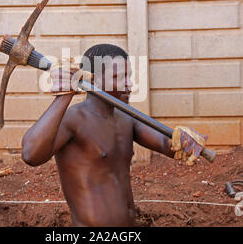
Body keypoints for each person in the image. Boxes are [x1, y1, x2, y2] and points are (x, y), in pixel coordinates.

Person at [21, 44, 207, 227]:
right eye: (118, 77)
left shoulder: (127, 118)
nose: (129, 84)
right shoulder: (73, 120)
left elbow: (165, 144)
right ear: (92, 81)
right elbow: (31, 154)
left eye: (129, 76)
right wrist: (64, 96)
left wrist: (183, 140)